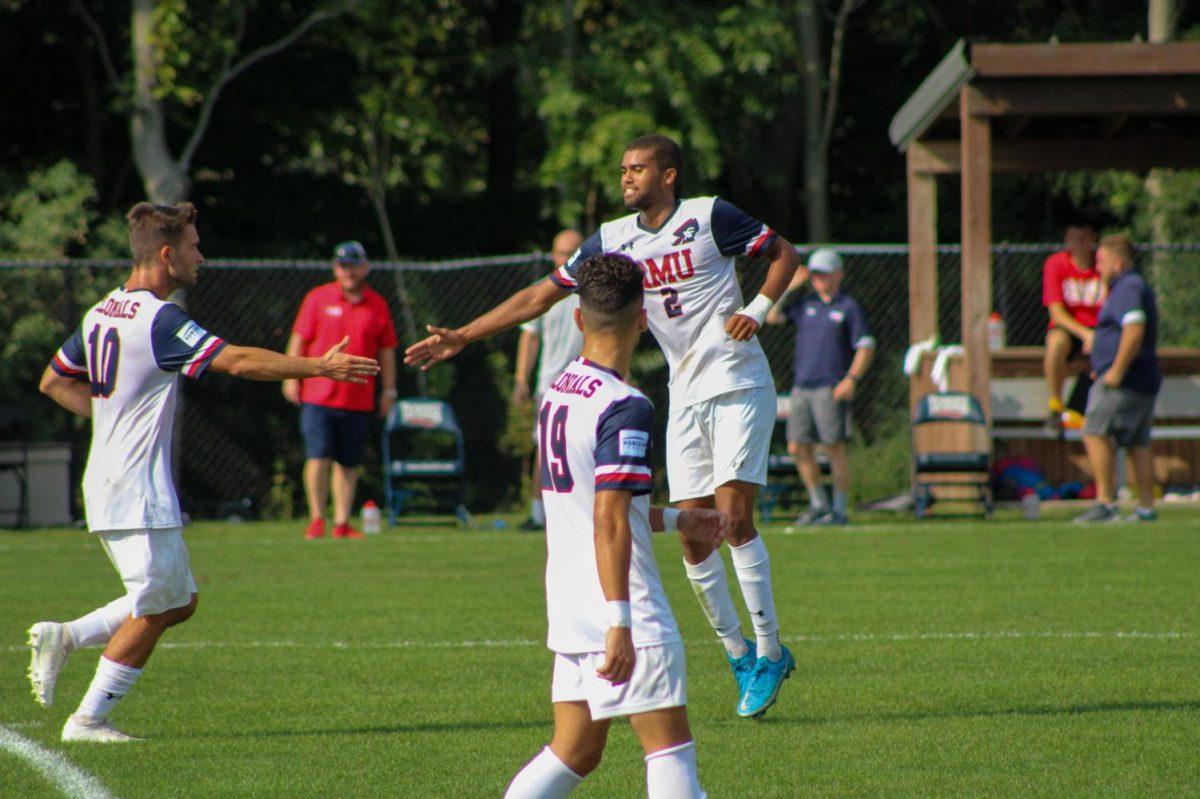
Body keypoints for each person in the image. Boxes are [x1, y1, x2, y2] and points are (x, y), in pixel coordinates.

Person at [408, 133, 800, 719]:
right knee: (696, 535)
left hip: (739, 380)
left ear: (669, 175)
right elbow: (542, 295)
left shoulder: (708, 216)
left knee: (735, 517)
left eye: (638, 169)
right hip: (685, 391)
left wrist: (757, 309)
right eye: (623, 170)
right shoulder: (612, 239)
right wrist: (465, 335)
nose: (626, 179)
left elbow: (784, 254)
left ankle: (771, 652)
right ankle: (739, 654)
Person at [29, 202, 379, 742]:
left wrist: (112, 417)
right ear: (167, 255)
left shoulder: (102, 310)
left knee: (179, 600)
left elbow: (54, 382)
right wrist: (319, 366)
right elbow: (236, 361)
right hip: (135, 489)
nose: (201, 256)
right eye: (193, 246)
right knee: (159, 604)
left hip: (114, 481)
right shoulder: (160, 319)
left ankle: (68, 636)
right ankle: (89, 719)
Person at [504, 253, 724, 799]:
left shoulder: (557, 391)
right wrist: (620, 620)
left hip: (569, 599)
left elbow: (593, 504)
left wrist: (677, 518)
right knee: (670, 754)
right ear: (644, 317)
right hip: (618, 603)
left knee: (575, 750)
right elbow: (606, 519)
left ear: (578, 318)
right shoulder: (625, 404)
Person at [283, 241, 398, 540]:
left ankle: (342, 521)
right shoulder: (318, 298)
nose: (348, 271)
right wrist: (290, 376)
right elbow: (299, 339)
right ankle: (317, 518)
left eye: (353, 265)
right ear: (336, 268)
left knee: (349, 462)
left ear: (365, 267)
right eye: (342, 265)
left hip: (358, 396)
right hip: (318, 394)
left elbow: (387, 350)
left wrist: (388, 390)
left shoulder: (377, 304)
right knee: (318, 456)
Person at [766, 248, 874, 526]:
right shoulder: (804, 305)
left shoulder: (848, 307)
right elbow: (771, 316)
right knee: (796, 446)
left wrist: (851, 378)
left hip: (830, 388)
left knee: (833, 447)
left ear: (838, 274)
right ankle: (818, 505)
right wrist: (790, 287)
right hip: (801, 387)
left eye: (824, 274)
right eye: (815, 274)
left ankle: (839, 510)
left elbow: (865, 346)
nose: (819, 279)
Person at [1074, 234, 1160, 524]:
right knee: (1138, 443)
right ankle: (1145, 509)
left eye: (1101, 261)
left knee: (1094, 431)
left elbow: (1134, 330)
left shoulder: (1127, 286)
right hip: (1141, 378)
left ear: (1118, 262)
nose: (1097, 267)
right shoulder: (1130, 286)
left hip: (1125, 380)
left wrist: (1116, 369)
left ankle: (1106, 504)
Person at [512, 229, 584, 530]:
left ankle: (581, 510)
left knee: (584, 448)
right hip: (551, 386)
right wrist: (520, 380)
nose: (565, 258)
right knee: (545, 449)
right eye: (560, 253)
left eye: (572, 252)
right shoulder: (544, 290)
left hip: (586, 384)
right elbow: (530, 339)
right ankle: (538, 514)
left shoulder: (592, 291)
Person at [1043, 220, 1104, 435]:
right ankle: (1055, 406)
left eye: (1084, 237)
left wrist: (1096, 335)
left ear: (1093, 238)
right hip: (1071, 329)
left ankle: (1077, 408)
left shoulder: (1102, 263)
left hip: (1099, 329)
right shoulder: (1056, 264)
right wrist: (1085, 333)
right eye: (1073, 237)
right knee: (1056, 342)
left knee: (1108, 349)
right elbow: (1057, 313)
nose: (1078, 243)